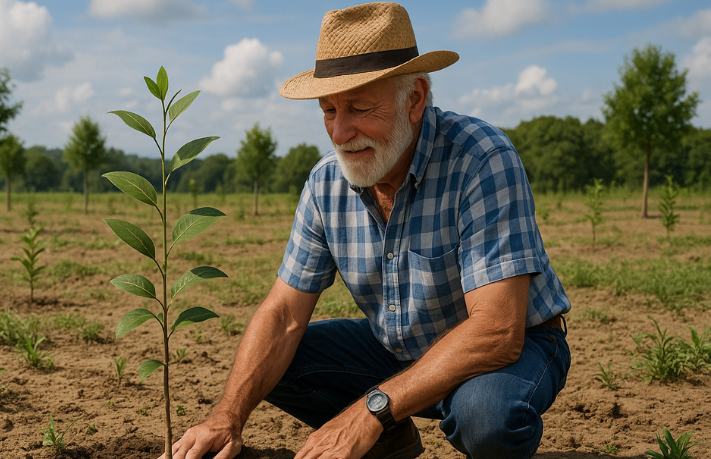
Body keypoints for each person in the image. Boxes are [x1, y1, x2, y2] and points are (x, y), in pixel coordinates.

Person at [169, 2, 571, 458]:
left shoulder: (481, 159)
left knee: (486, 417)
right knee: (267, 362)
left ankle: (386, 425)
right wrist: (227, 417)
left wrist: (368, 410)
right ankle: (390, 444)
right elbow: (283, 313)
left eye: (359, 107)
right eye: (328, 111)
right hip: (398, 347)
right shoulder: (326, 183)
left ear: (415, 98)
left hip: (511, 347)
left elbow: (497, 330)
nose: (340, 132)